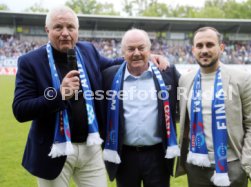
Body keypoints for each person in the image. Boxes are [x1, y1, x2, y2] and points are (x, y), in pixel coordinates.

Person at [12, 6, 168, 187]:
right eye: (58, 27)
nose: (65, 33)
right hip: (53, 150)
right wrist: (59, 96)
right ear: (47, 30)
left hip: (91, 147)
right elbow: (20, 109)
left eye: (70, 27)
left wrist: (147, 56)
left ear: (77, 30)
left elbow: (114, 63)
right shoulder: (30, 62)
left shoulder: (87, 51)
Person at [175, 26, 251, 187]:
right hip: (196, 165)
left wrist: (245, 163)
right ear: (193, 50)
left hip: (232, 165)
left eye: (210, 44)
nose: (204, 50)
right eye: (199, 46)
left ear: (221, 48)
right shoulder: (185, 80)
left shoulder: (243, 79)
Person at [101, 28, 180, 187]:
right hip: (124, 157)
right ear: (123, 52)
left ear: (149, 50)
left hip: (158, 155)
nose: (136, 53)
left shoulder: (167, 73)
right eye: (130, 49)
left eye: (141, 48)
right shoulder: (109, 76)